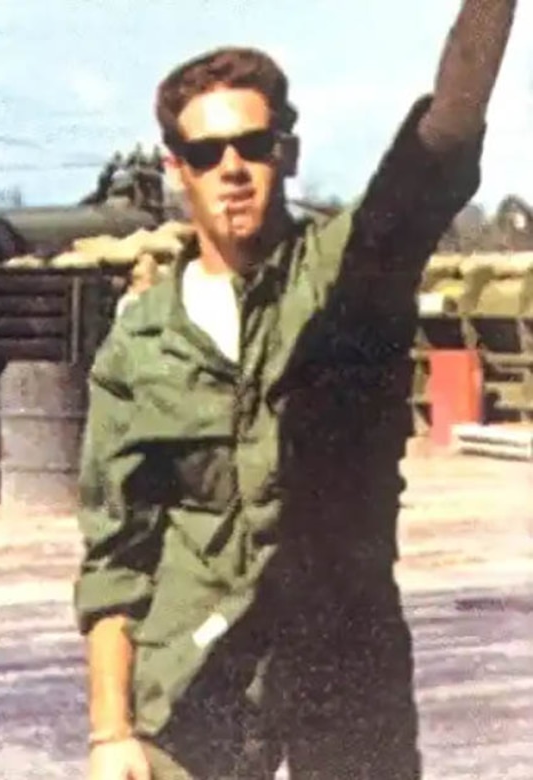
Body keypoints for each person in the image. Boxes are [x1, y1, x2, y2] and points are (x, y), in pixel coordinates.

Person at [74, 2, 518, 778]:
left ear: (288, 151)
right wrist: (110, 733)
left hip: (343, 668)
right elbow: (118, 555)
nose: (231, 169)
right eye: (205, 152)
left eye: (252, 145)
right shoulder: (140, 342)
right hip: (192, 685)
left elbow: (442, 136)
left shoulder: (349, 276)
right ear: (176, 169)